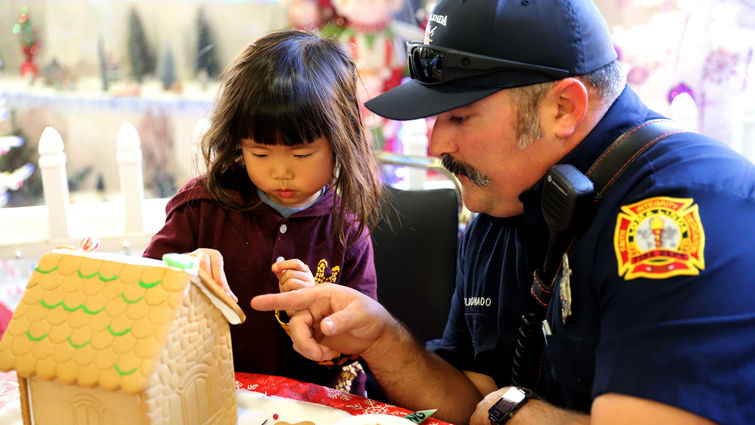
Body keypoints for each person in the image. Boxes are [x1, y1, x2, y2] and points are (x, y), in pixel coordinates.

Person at [250, 0, 755, 424]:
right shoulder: (501, 202)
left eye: (461, 117)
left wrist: (536, 417)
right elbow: (474, 395)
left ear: (563, 108)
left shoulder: (682, 208)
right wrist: (381, 338)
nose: (436, 145)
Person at [143, 29, 382, 395]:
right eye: (260, 153)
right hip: (213, 392)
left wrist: (322, 315)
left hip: (317, 401)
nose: (280, 171)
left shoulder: (346, 229)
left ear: (340, 141)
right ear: (238, 142)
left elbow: (361, 343)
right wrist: (187, 267)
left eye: (301, 155)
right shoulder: (203, 207)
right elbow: (145, 288)